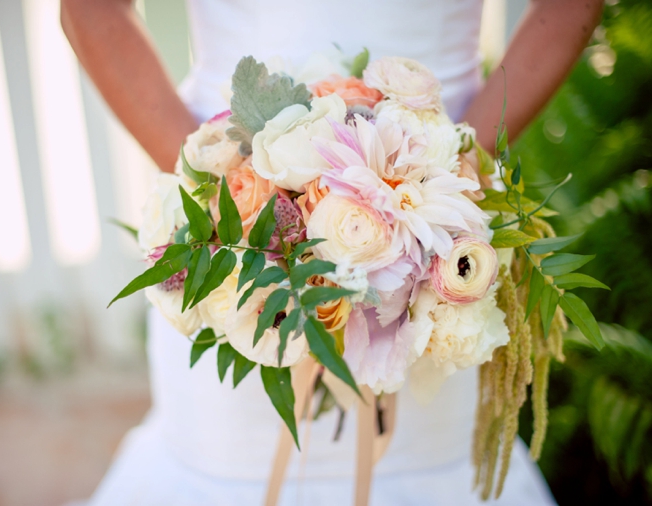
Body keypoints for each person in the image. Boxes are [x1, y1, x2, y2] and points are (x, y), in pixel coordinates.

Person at [61, 1, 602, 504]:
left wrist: (448, 181)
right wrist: (233, 201)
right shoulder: (228, 215)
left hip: (441, 231)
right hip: (230, 229)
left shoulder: (445, 212)